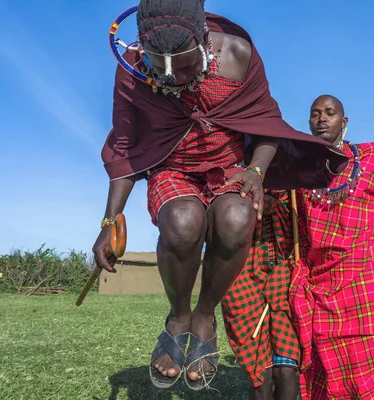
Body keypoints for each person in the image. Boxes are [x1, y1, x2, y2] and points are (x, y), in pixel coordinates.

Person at [92, 0, 347, 391]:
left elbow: (266, 126)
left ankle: (205, 316)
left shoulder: (238, 55)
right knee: (181, 221)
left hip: (231, 167)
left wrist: (256, 171)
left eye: (182, 62)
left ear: (204, 39)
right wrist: (109, 221)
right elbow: (127, 146)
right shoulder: (132, 69)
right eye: (160, 65)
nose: (171, 75)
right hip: (172, 168)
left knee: (236, 218)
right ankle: (179, 318)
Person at [289, 95, 374, 399]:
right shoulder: (299, 175)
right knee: (329, 371)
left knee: (368, 373)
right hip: (322, 287)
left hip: (367, 285)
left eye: (330, 114)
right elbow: (301, 236)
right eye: (315, 114)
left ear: (343, 122)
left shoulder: (371, 159)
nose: (321, 119)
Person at [222, 190, 300, 400]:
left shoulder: (296, 183)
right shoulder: (233, 174)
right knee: (260, 374)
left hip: (286, 275)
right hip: (243, 277)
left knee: (286, 371)